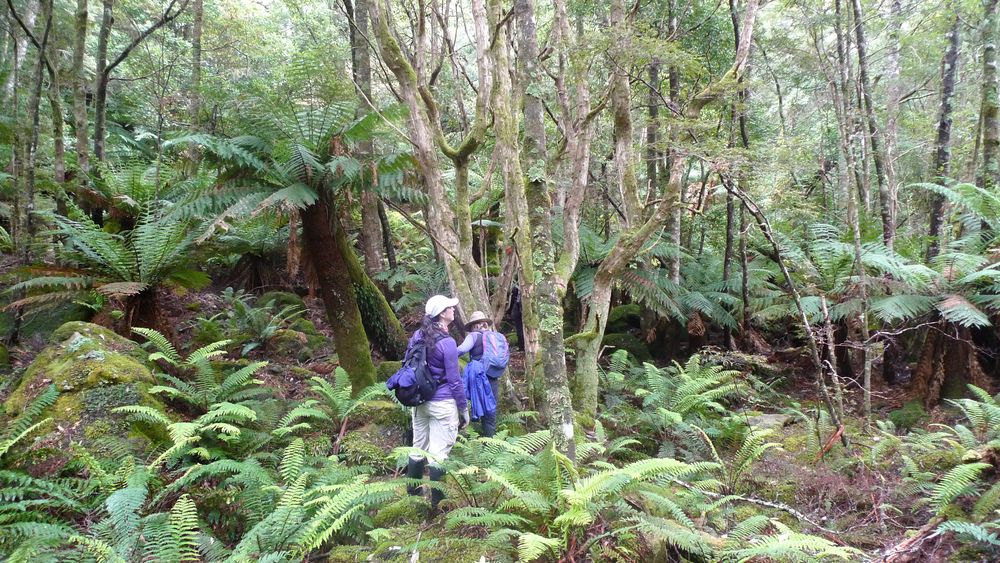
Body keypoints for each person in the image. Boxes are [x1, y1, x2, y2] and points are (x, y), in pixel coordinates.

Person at [405, 294, 469, 510]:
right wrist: (463, 408)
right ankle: (437, 504)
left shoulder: (416, 336)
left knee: (418, 448)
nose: (454, 309)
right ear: (443, 314)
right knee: (438, 454)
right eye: (451, 307)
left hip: (419, 402)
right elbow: (454, 380)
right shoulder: (447, 343)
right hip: (443, 403)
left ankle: (412, 494)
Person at [457, 311, 500, 437]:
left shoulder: (473, 336)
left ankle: (485, 443)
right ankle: (491, 443)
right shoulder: (493, 337)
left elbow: (461, 350)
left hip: (479, 377)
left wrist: (444, 353)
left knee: (480, 405)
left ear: (472, 325)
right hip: (493, 376)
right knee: (490, 410)